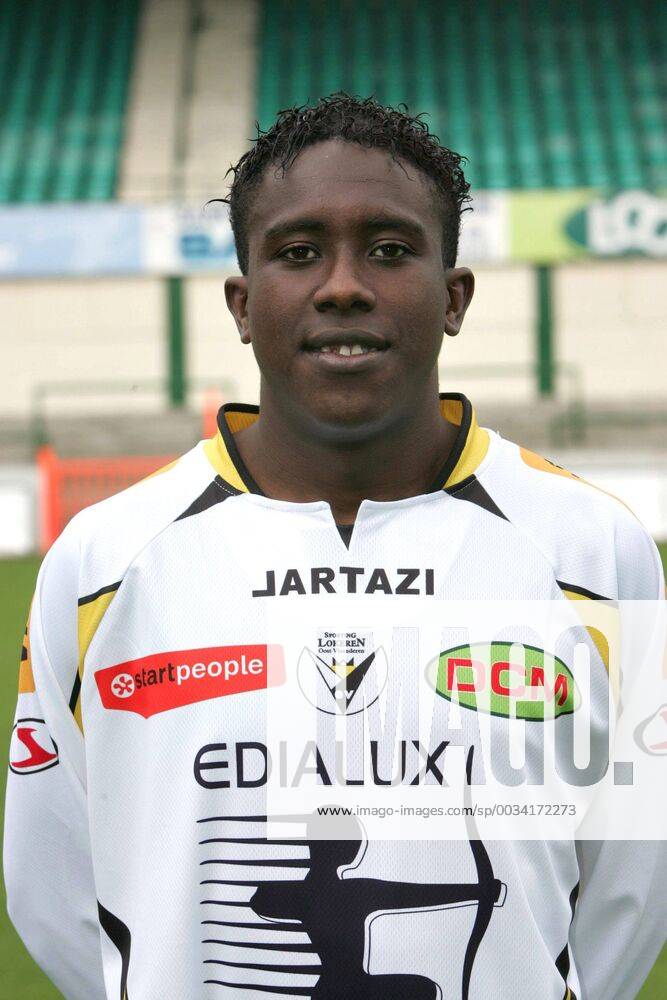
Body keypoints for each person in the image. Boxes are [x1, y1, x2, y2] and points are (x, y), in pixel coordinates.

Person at [4, 94, 665, 1000]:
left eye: (390, 250)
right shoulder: (105, 561)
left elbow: (630, 894)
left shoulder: (595, 553)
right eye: (297, 252)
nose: (343, 285)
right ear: (243, 303)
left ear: (453, 297)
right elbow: (54, 890)